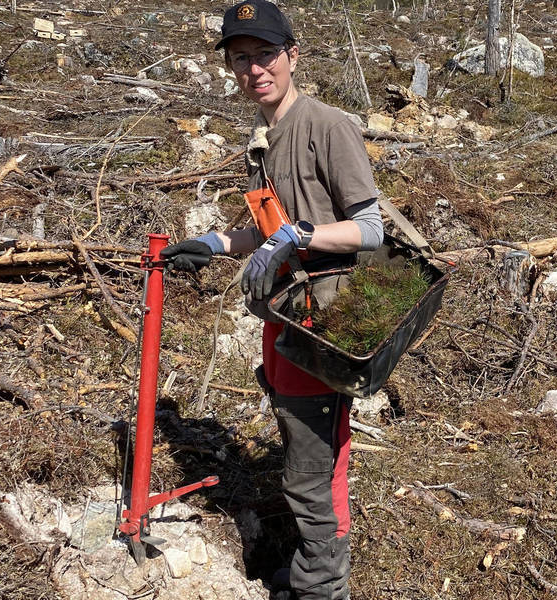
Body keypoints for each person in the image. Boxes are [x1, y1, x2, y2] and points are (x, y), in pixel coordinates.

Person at [160, 1, 383, 598]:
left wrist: (297, 237)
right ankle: (313, 564)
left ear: (292, 56)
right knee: (302, 443)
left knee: (312, 462)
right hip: (282, 315)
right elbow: (268, 226)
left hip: (321, 322)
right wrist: (214, 242)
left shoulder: (325, 126)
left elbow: (370, 229)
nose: (255, 69)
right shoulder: (263, 137)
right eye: (241, 59)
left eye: (265, 54)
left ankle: (321, 586)